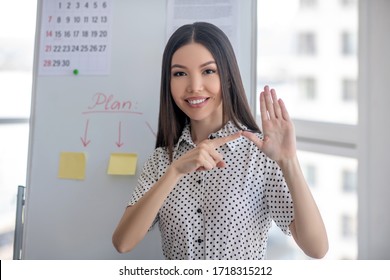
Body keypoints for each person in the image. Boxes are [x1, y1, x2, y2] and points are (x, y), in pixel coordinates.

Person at [112, 22, 328, 260]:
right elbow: (123, 243)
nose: (194, 86)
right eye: (180, 73)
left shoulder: (260, 154)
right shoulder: (163, 160)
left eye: (208, 71)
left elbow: (316, 248)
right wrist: (175, 171)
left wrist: (289, 162)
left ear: (227, 78)